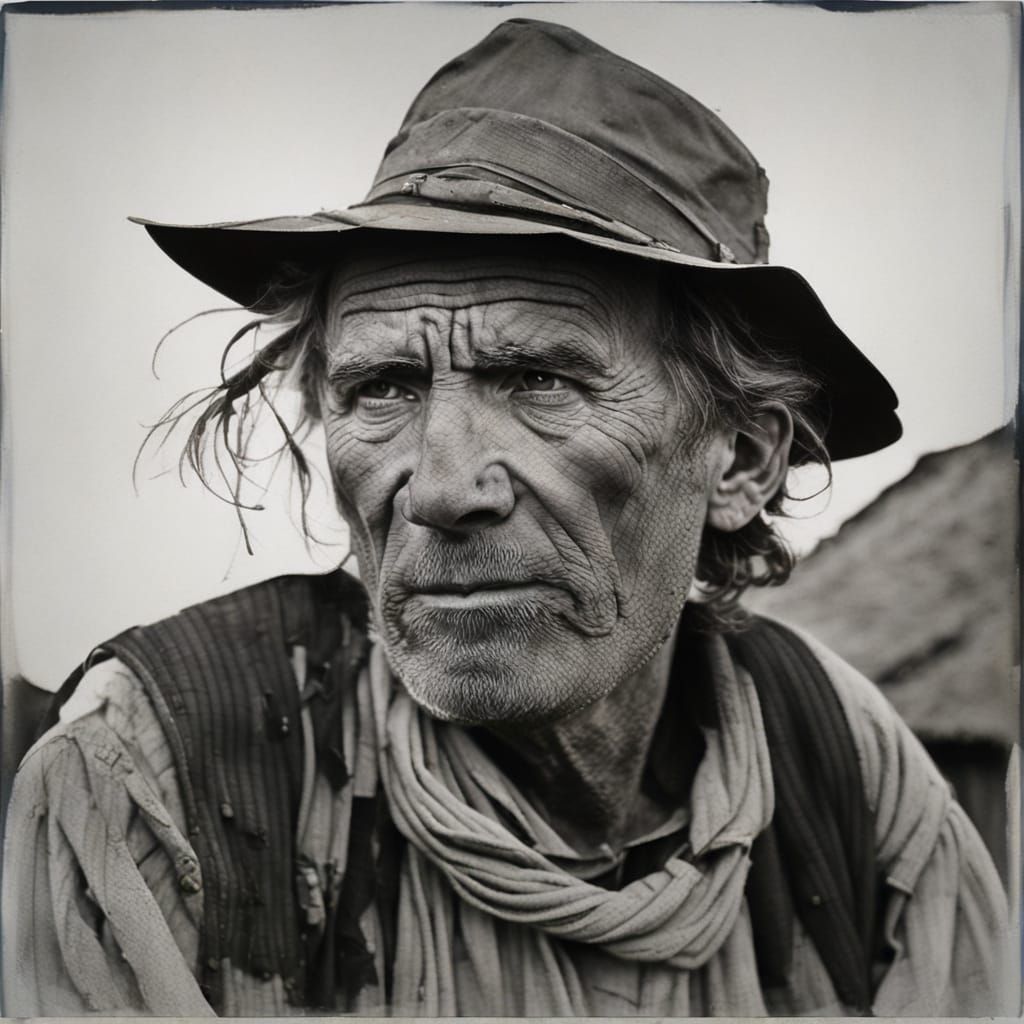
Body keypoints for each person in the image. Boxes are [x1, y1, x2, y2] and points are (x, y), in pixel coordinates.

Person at [2, 18, 1009, 1018]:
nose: (441, 489)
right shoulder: (151, 780)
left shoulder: (842, 770)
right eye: (384, 388)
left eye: (537, 378)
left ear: (741, 456)